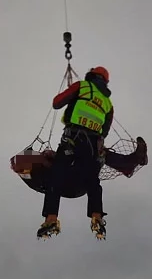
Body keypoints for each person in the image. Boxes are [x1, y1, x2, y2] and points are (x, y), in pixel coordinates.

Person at [37, 66, 114, 241]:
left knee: (56, 175)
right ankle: (97, 216)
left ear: (91, 76)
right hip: (92, 144)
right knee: (93, 180)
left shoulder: (82, 86)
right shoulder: (108, 104)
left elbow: (57, 103)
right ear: (105, 81)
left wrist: (73, 98)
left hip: (73, 138)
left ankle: (51, 218)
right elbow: (105, 131)